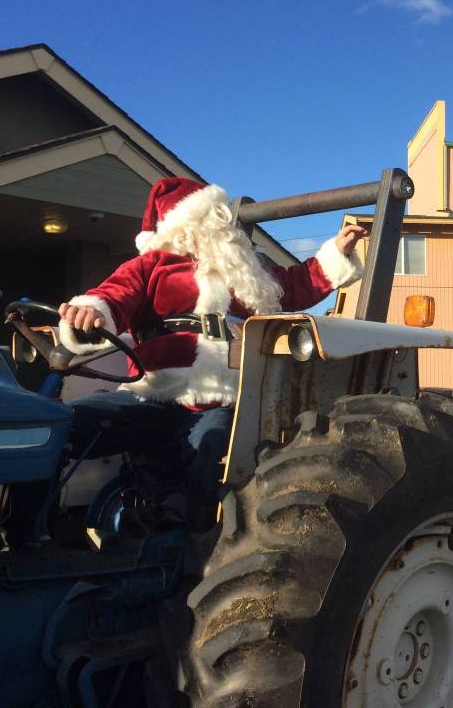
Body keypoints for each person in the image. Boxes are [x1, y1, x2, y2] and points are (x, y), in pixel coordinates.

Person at [57, 177, 366, 529]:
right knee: (64, 423)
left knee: (213, 443)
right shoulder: (151, 267)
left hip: (220, 399)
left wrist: (335, 254)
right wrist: (92, 313)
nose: (219, 225)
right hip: (152, 392)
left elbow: (294, 288)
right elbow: (114, 295)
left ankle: (200, 546)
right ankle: (32, 530)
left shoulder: (247, 269)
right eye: (209, 216)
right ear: (182, 226)